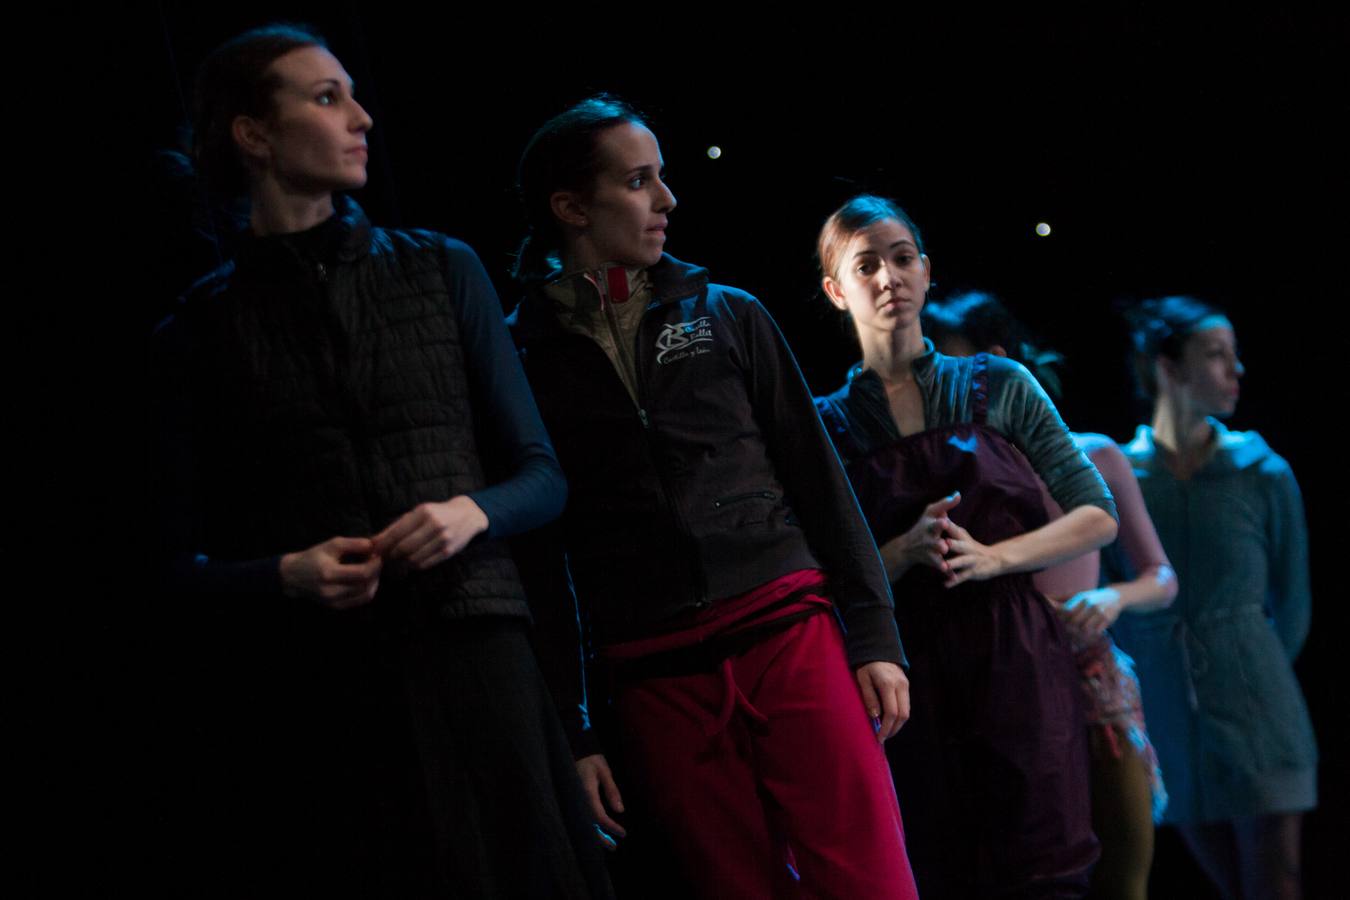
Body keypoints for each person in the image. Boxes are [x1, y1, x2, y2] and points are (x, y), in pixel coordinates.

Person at [151, 25, 611, 898]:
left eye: (353, 93)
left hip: (481, 652)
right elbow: (172, 568)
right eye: (326, 98)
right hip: (331, 690)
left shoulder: (442, 269)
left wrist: (469, 512)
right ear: (253, 134)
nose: (361, 117)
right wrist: (285, 574)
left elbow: (543, 475)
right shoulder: (195, 332)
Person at [507, 96, 918, 900]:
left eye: (661, 177)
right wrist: (574, 726)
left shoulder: (728, 313)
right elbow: (536, 555)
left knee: (868, 876)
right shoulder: (520, 352)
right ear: (570, 206)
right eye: (638, 181)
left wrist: (874, 635)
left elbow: (819, 481)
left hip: (786, 628)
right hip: (652, 670)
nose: (666, 200)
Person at [812, 195, 1118, 899]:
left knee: (1046, 861)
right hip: (905, 662)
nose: (889, 277)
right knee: (936, 858)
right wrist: (898, 554)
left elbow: (1096, 513)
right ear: (836, 290)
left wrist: (993, 557)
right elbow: (817, 570)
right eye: (866, 265)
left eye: (902, 258)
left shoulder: (998, 384)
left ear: (925, 271)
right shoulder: (824, 425)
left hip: (1016, 651)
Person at [925, 291, 1177, 900]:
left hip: (1090, 675)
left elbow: (1159, 576)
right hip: (1005, 680)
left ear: (992, 362)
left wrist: (1113, 599)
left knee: (1123, 875)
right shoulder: (953, 470)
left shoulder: (1093, 455)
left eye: (945, 361)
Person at [1109, 296, 1316, 899]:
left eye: (1235, 356)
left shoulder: (1261, 470)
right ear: (1168, 368)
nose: (1236, 371)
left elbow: (1294, 603)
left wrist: (1253, 666)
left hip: (1260, 707)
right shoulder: (1122, 473)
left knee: (1276, 882)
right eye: (1216, 356)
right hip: (1168, 713)